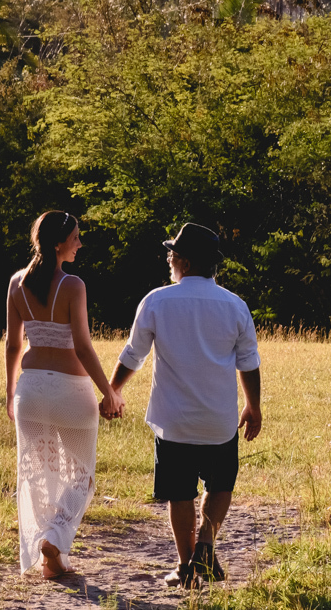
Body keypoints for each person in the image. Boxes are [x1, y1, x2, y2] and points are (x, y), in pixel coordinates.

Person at [101, 222, 262, 589]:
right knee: (221, 485)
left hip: (172, 421)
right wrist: (253, 406)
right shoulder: (235, 306)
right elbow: (248, 363)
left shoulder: (157, 300)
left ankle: (186, 564)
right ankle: (206, 543)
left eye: (172, 254)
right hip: (219, 419)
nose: (169, 259)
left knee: (180, 492)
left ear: (185, 263)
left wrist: (113, 390)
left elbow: (133, 356)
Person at [6, 211, 125, 578]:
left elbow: (14, 344)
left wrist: (10, 394)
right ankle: (54, 540)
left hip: (30, 391)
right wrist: (110, 393)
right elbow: (84, 348)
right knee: (83, 476)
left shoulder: (16, 283)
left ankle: (49, 551)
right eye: (75, 237)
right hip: (70, 391)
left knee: (39, 473)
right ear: (58, 243)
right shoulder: (73, 285)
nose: (79, 243)